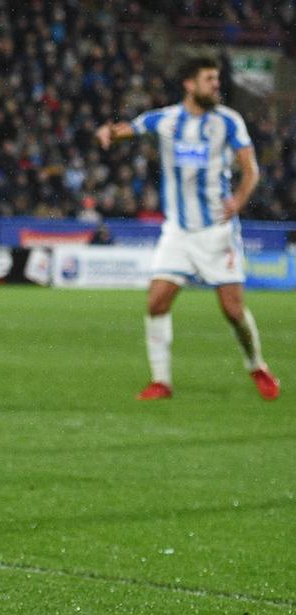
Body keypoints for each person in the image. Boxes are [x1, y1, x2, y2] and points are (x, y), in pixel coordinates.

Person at [96, 56, 280, 401]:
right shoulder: (165, 119)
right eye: (209, 79)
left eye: (216, 79)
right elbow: (127, 131)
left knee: (233, 310)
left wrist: (239, 200)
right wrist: (108, 133)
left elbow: (250, 169)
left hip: (217, 231)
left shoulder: (228, 121)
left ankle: (257, 365)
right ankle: (161, 381)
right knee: (157, 302)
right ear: (189, 84)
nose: (215, 85)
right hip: (178, 231)